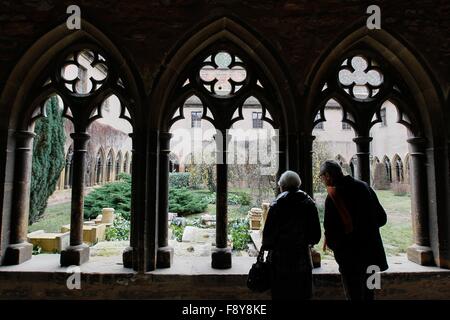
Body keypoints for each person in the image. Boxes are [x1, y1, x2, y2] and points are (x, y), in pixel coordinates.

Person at [319, 160, 388, 300]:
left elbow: (331, 232)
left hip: (350, 260)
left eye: (322, 177)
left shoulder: (333, 196)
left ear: (328, 175)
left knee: (354, 296)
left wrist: (338, 248)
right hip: (373, 255)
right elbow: (382, 218)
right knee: (370, 295)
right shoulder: (365, 187)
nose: (322, 181)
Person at [262, 170, 321, 300]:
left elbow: (267, 239)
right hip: (302, 261)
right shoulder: (309, 204)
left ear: (282, 186)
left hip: (280, 263)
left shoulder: (277, 205)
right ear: (298, 185)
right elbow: (316, 236)